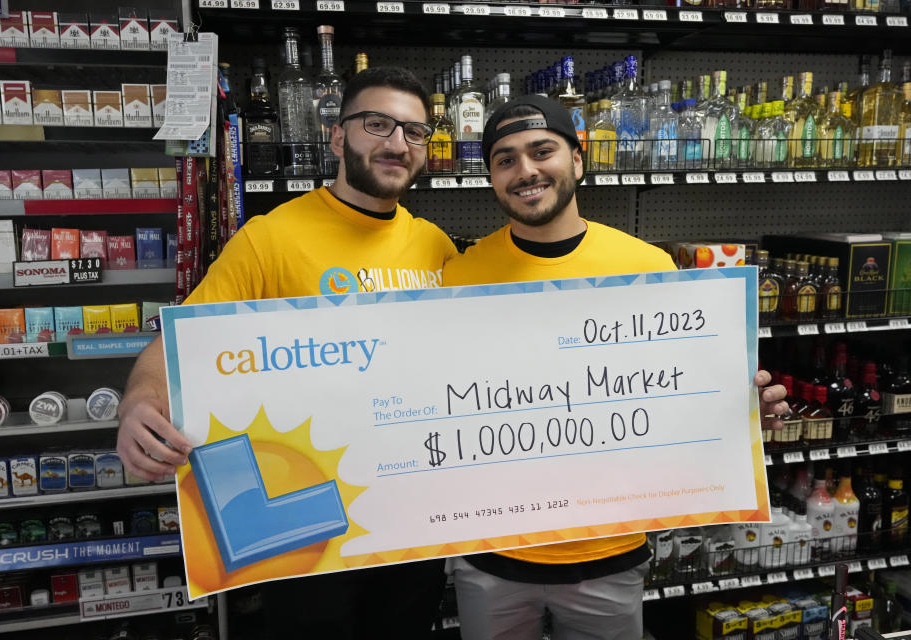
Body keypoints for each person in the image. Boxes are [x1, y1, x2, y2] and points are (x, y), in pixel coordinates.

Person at [115, 67, 455, 638]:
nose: (397, 143)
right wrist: (138, 404)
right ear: (337, 136)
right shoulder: (269, 239)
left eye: (414, 132)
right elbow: (177, 345)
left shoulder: (435, 245)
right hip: (307, 522)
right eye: (377, 124)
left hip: (409, 514)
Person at [442, 95, 789, 640]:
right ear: (490, 176)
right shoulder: (459, 276)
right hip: (491, 554)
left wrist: (742, 416)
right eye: (505, 159)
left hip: (610, 551)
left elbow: (681, 396)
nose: (525, 170)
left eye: (541, 151)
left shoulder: (648, 267)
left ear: (578, 161)